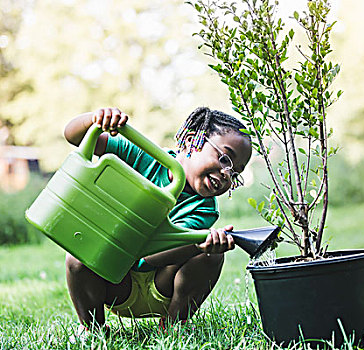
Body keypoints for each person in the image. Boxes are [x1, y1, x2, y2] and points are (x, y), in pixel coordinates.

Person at [63, 106, 252, 335]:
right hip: (115, 283)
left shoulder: (205, 208)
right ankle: (93, 330)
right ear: (193, 140)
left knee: (211, 254)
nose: (226, 175)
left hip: (163, 287)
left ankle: (173, 325)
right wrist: (96, 119)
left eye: (235, 173)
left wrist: (197, 245)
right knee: (77, 257)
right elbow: (73, 135)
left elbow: (149, 258)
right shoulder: (144, 156)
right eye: (224, 159)